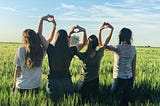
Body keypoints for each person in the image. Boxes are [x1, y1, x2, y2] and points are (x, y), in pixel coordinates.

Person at [37, 17, 87, 100]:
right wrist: (83, 31)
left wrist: (42, 19)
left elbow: (39, 35)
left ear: (56, 38)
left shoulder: (51, 49)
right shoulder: (71, 50)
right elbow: (84, 43)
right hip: (67, 82)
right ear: (67, 39)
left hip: (52, 82)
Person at [13, 14, 56, 94]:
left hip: (21, 86)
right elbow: (48, 39)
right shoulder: (41, 50)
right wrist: (53, 26)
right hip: (35, 87)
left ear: (24, 39)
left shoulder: (20, 50)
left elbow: (17, 69)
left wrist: (13, 85)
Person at [76, 22, 114, 102]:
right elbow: (105, 42)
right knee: (93, 101)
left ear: (87, 44)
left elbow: (71, 50)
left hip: (83, 82)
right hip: (94, 82)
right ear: (96, 44)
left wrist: (71, 34)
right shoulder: (99, 53)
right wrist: (110, 29)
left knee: (82, 102)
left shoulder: (83, 55)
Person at [106, 28, 136, 106]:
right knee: (124, 102)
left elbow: (101, 46)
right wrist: (133, 81)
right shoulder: (133, 49)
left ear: (120, 36)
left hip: (118, 79)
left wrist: (109, 30)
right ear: (130, 37)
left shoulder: (117, 47)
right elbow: (133, 67)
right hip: (129, 79)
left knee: (112, 99)